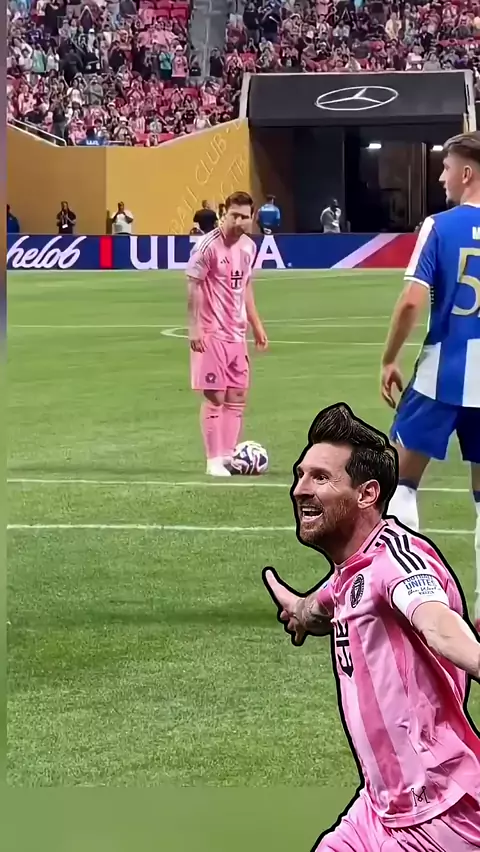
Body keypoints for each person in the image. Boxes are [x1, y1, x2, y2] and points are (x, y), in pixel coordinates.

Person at [263, 403, 480, 852]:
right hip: (379, 808)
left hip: (441, 811)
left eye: (320, 478)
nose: (300, 489)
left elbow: (437, 624)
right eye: (301, 475)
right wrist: (300, 610)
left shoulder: (398, 561)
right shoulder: (352, 571)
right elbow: (322, 605)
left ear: (366, 494)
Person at [380, 131, 480, 631]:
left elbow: (411, 302)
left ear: (467, 173)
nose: (441, 176)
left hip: (445, 372)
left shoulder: (439, 226)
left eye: (446, 167)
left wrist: (389, 358)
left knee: (398, 481)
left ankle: (408, 600)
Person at [186, 191, 268, 476]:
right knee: (215, 397)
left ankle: (228, 456)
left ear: (252, 218)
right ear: (224, 213)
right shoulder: (207, 246)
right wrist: (194, 326)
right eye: (234, 215)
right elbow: (193, 285)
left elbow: (245, 286)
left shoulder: (248, 247)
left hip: (237, 333)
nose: (239, 221)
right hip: (212, 332)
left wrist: (256, 324)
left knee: (237, 396)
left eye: (245, 216)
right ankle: (212, 461)